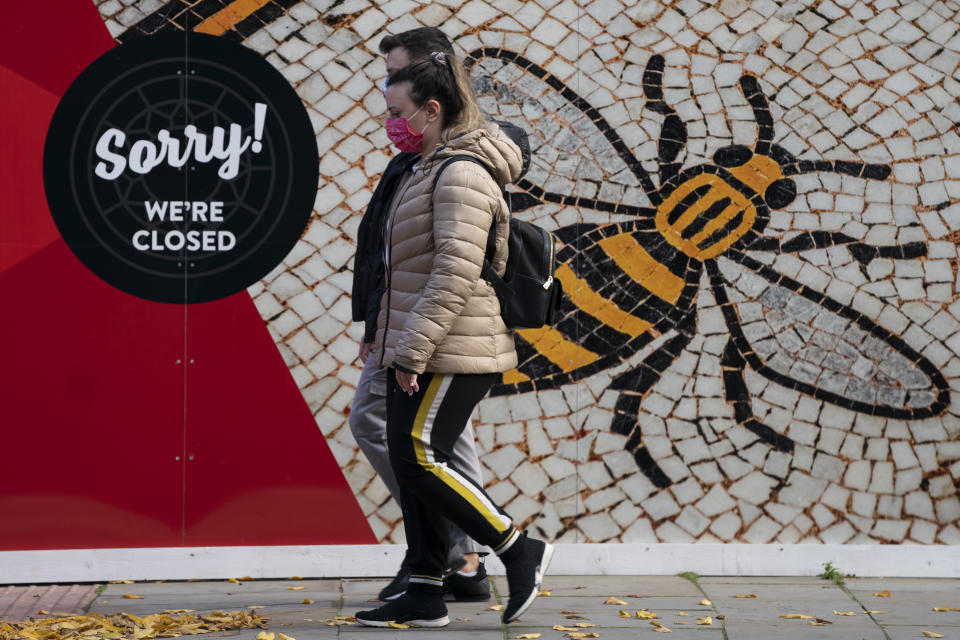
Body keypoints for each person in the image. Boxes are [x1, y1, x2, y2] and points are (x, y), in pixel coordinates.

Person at [354, 50, 553, 629]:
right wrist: (388, 340)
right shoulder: (428, 166)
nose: (390, 123)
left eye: (397, 112)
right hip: (419, 341)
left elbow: (454, 271)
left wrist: (411, 350)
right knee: (410, 457)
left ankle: (517, 548)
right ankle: (424, 589)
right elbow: (402, 268)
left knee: (418, 458)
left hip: (453, 345)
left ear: (432, 109)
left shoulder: (461, 173)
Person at [349, 27, 490, 603]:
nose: (387, 93)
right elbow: (385, 249)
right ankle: (452, 559)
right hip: (401, 321)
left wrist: (411, 341)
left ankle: (471, 553)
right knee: (423, 437)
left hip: (435, 327)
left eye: (395, 80)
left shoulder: (458, 162)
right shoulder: (413, 160)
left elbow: (456, 258)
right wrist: (373, 321)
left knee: (418, 438)